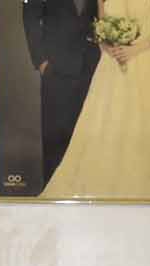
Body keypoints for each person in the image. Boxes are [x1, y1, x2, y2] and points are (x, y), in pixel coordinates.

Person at [39, 0, 150, 201]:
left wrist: (136, 48)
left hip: (145, 60)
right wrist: (110, 49)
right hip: (111, 65)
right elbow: (100, 32)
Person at [21, 0, 101, 187]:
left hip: (92, 66)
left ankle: (86, 189)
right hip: (56, 69)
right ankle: (54, 191)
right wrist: (41, 62)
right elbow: (30, 18)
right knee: (55, 134)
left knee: (89, 133)